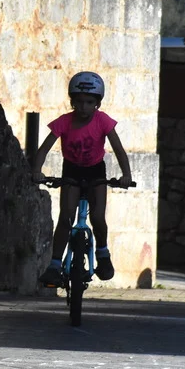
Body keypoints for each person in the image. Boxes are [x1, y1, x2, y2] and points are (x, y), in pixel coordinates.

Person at [32, 71, 133, 285]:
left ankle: (103, 254)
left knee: (97, 217)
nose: (84, 107)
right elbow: (43, 149)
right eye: (79, 102)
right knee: (66, 217)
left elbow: (118, 149)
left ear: (98, 103)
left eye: (89, 102)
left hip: (96, 170)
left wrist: (126, 175)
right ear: (72, 102)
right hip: (72, 170)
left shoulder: (103, 120)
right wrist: (37, 170)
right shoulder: (64, 122)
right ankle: (54, 265)